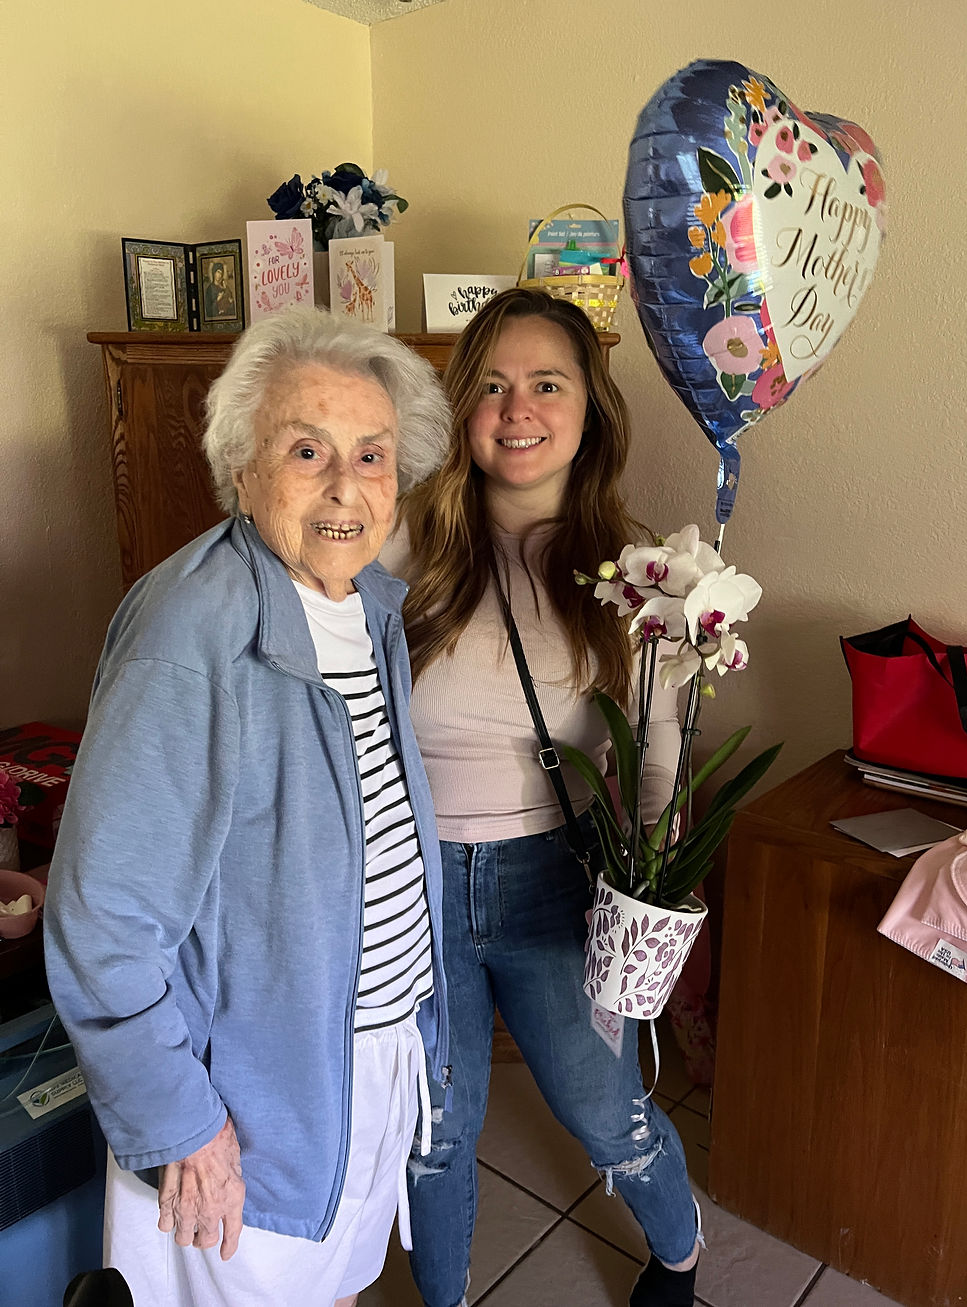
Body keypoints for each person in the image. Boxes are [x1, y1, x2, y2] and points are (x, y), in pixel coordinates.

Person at [44, 305, 453, 1307]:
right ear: (243, 468)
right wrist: (181, 1119)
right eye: (306, 450)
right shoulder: (191, 629)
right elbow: (102, 921)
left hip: (355, 1059)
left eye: (369, 454)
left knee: (340, 1279)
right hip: (247, 1094)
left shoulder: (364, 600)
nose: (345, 486)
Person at [384, 288, 703, 1307]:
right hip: (407, 878)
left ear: (588, 409)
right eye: (489, 384)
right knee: (432, 1129)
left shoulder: (636, 575)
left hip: (552, 878)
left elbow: (654, 754)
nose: (515, 408)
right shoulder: (397, 547)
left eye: (545, 383)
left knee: (603, 1109)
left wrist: (653, 882)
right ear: (458, 408)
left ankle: (679, 1255)